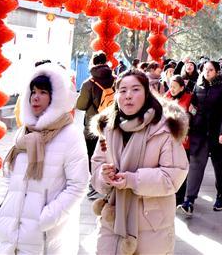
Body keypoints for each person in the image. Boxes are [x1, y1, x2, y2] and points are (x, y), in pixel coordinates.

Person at [0, 63, 89, 255]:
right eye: (33, 91)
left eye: (43, 92)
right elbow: (7, 175)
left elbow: (78, 185)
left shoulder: (70, 135)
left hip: (44, 237)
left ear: (56, 97)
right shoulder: (23, 132)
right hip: (7, 231)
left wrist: (46, 218)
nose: (35, 96)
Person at [90, 70, 189, 255]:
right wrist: (103, 176)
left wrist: (132, 180)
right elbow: (96, 165)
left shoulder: (164, 129)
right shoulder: (109, 128)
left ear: (146, 94)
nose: (128, 96)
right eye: (122, 90)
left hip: (151, 224)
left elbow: (173, 176)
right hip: (113, 218)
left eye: (135, 89)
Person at [178, 60, 222, 217]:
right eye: (205, 69)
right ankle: (189, 200)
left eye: (210, 70)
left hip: (217, 133)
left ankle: (220, 196)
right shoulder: (198, 86)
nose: (207, 72)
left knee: (219, 165)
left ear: (217, 72)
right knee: (196, 163)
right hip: (199, 131)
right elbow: (192, 108)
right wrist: (189, 125)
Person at [75, 52, 116, 199]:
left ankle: (94, 185)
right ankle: (110, 183)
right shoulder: (116, 80)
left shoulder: (88, 83)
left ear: (93, 62)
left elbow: (80, 105)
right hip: (113, 124)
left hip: (93, 126)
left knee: (93, 155)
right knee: (110, 154)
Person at [165, 75, 193, 205]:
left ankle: (180, 198)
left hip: (184, 140)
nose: (172, 89)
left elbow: (192, 117)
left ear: (182, 87)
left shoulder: (189, 97)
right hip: (168, 139)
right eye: (170, 86)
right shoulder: (166, 97)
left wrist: (187, 131)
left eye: (175, 87)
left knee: (182, 168)